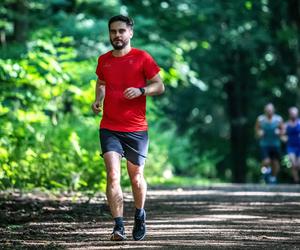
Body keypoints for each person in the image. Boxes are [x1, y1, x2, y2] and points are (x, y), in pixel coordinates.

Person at [91, 15, 165, 241]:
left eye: (121, 31)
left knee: (136, 177)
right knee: (113, 174)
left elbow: (159, 86)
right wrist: (98, 100)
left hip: (136, 129)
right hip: (110, 127)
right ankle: (118, 226)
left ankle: (140, 214)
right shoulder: (104, 60)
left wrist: (141, 91)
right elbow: (101, 82)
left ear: (130, 33)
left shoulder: (142, 57)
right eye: (113, 31)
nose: (117, 35)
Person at [255, 103, 284, 184]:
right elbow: (256, 131)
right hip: (264, 144)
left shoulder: (278, 119)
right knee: (266, 161)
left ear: (273, 110)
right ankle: (265, 173)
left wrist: (279, 132)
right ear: (265, 110)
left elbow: (284, 130)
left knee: (275, 163)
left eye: (270, 110)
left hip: (275, 144)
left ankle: (273, 177)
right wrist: (259, 133)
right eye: (267, 110)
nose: (269, 112)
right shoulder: (260, 119)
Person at [284, 107, 300, 184]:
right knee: (293, 163)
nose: (293, 115)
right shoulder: (286, 124)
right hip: (291, 147)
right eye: (292, 113)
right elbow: (281, 134)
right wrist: (284, 138)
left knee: (298, 164)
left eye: (294, 113)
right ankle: (296, 181)